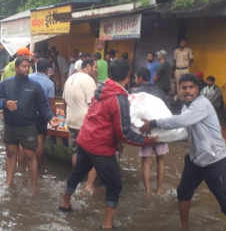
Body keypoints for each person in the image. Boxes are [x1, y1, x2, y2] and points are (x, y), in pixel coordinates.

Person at [59, 59, 157, 230]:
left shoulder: (101, 88)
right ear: (128, 76)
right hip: (100, 146)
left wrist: (118, 140)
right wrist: (147, 141)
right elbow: (124, 132)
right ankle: (107, 224)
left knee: (77, 173)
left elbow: (103, 117)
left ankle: (65, 203)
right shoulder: (120, 98)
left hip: (85, 137)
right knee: (115, 185)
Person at [141, 73, 226, 231]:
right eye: (184, 88)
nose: (187, 91)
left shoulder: (202, 104)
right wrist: (158, 138)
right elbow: (183, 132)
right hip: (195, 160)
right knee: (183, 193)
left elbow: (181, 121)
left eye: (191, 87)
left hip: (214, 161)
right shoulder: (186, 107)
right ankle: (184, 227)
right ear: (178, 89)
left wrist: (154, 123)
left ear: (198, 89)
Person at [0, 57, 56, 194]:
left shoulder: (35, 86)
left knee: (30, 155)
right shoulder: (6, 84)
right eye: (23, 66)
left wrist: (50, 118)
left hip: (28, 126)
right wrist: (5, 103)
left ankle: (33, 187)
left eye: (28, 67)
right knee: (10, 154)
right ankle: (8, 183)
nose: (26, 69)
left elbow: (43, 106)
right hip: (10, 125)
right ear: (16, 68)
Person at [132, 67, 169, 195]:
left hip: (145, 131)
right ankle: (159, 189)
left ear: (140, 78)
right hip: (161, 131)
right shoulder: (160, 91)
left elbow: (134, 113)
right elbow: (166, 110)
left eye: (136, 77)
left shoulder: (136, 92)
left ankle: (147, 191)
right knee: (161, 159)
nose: (135, 79)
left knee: (146, 160)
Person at [63, 58, 98, 193]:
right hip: (85, 124)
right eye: (94, 67)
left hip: (71, 121)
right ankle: (89, 185)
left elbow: (65, 101)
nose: (96, 70)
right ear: (88, 67)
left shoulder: (70, 79)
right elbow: (93, 105)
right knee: (94, 155)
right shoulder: (88, 80)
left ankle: (77, 180)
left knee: (76, 152)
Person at [29, 58, 56, 172]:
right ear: (47, 69)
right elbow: (51, 104)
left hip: (27, 113)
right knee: (40, 140)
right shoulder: (49, 83)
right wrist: (52, 118)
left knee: (26, 141)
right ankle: (38, 166)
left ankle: (25, 166)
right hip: (41, 115)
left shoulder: (29, 77)